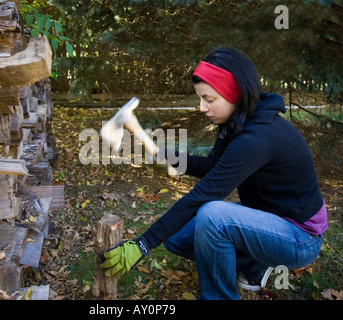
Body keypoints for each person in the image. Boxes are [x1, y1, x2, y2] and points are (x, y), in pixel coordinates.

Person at [100, 47, 328, 300]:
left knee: (212, 216)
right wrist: (170, 157)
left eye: (209, 99)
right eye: (200, 98)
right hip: (268, 215)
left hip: (300, 236)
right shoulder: (234, 123)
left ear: (234, 93)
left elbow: (203, 195)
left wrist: (142, 244)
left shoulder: (258, 138)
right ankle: (255, 263)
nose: (201, 107)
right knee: (177, 239)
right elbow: (212, 166)